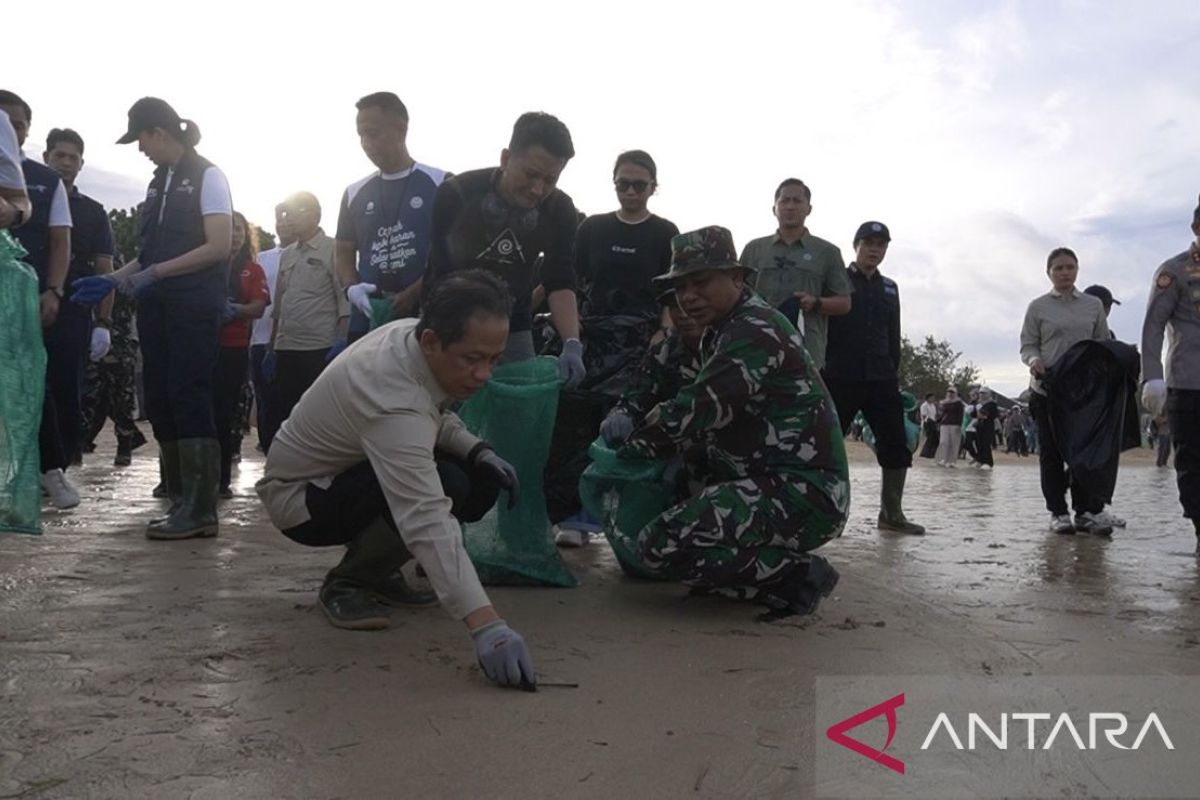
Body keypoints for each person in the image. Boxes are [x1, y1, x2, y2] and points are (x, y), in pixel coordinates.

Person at [256, 270, 534, 688]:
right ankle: (348, 582)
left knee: (475, 477)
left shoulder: (410, 336)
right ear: (432, 342)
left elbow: (428, 413)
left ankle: (381, 570)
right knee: (446, 485)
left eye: (494, 360)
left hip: (347, 471)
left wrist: (479, 450)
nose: (484, 375)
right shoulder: (390, 393)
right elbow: (425, 515)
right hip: (302, 500)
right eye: (472, 359)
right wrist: (487, 625)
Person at [610, 226, 849, 620]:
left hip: (804, 493)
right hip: (770, 479)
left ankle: (797, 575)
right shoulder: (724, 328)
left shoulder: (753, 330)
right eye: (680, 287)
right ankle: (750, 571)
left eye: (701, 282)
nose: (688, 296)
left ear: (737, 277)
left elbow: (695, 411)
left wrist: (624, 452)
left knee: (658, 545)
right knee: (684, 488)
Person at [73, 97, 233, 540]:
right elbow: (147, 255)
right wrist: (112, 280)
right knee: (160, 397)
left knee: (189, 393)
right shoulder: (157, 183)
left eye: (141, 139)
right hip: (157, 306)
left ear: (159, 132)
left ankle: (201, 508)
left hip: (194, 305)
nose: (140, 149)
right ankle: (180, 498)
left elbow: (219, 245)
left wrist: (157, 273)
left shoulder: (208, 176)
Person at [425, 111, 584, 385]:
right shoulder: (456, 194)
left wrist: (572, 343)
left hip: (513, 324)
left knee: (517, 403)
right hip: (450, 317)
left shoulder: (560, 209)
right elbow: (442, 272)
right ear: (506, 159)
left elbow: (559, 279)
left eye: (550, 180)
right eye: (531, 174)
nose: (538, 190)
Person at [0, 91, 77, 509]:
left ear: (27, 130)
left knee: (31, 379)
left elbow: (59, 239)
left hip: (22, 296)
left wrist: (54, 289)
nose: (10, 130)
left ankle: (51, 469)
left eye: (18, 124)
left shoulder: (44, 181)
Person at [824, 221, 924, 534]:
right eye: (868, 243)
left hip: (881, 377)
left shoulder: (890, 287)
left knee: (896, 443)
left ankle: (891, 515)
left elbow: (893, 334)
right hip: (839, 375)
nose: (874, 250)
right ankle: (824, 514)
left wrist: (893, 372)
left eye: (881, 245)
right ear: (856, 246)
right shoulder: (836, 280)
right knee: (827, 445)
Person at [335, 92, 447, 340]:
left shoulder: (441, 183)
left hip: (427, 316)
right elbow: (343, 250)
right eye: (361, 135)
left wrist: (415, 291)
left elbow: (454, 253)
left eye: (373, 133)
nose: (366, 143)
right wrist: (351, 288)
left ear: (401, 129)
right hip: (369, 316)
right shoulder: (354, 192)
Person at [1019, 247, 1112, 535]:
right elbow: (1028, 345)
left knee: (1083, 454)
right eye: (1058, 268)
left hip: (1083, 394)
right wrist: (1034, 361)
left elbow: (1102, 342)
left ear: (1077, 270)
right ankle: (1058, 512)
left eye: (1070, 267)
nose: (1064, 272)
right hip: (1046, 391)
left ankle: (1085, 511)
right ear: (1048, 272)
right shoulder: (1037, 307)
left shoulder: (1093, 306)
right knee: (1051, 454)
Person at [42, 128, 118, 469]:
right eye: (59, 155)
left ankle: (62, 464)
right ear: (46, 157)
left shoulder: (93, 212)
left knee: (66, 387)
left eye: (73, 158)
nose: (66, 163)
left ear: (81, 164)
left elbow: (105, 269)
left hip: (73, 310)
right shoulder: (27, 200)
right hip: (25, 305)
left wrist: (103, 322)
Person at [1140, 194, 1200, 554]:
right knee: (1191, 461)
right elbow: (1153, 326)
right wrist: (1152, 376)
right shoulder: (1174, 271)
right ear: (1196, 227)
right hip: (1188, 382)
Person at [739, 178, 851, 370]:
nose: (790, 206)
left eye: (797, 201)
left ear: (809, 209)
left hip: (806, 354)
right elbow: (735, 296)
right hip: (756, 350)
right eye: (784, 201)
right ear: (774, 208)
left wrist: (816, 303)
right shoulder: (754, 249)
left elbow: (844, 303)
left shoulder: (827, 252)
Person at [263, 192, 345, 450]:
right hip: (286, 348)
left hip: (319, 349)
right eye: (286, 213)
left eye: (297, 212)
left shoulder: (334, 249)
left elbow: (343, 300)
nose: (289, 219)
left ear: (315, 215)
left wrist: (342, 342)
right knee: (283, 417)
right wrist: (271, 347)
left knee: (317, 419)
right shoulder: (287, 254)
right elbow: (279, 304)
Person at [574, 150, 679, 321]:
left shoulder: (666, 232)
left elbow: (672, 291)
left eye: (639, 185)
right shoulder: (591, 227)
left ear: (652, 187)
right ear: (614, 183)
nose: (630, 192)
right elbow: (571, 279)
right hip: (592, 327)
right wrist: (574, 321)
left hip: (646, 330)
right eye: (623, 184)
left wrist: (664, 331)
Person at [214, 212, 268, 496]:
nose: (234, 234)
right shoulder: (206, 264)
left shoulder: (252, 270)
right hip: (201, 345)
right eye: (229, 228)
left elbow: (258, 307)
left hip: (233, 348)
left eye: (239, 229)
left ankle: (221, 480)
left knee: (224, 413)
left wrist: (236, 310)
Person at [249, 203, 295, 452]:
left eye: (290, 217)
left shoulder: (317, 254)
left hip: (296, 344)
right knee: (265, 404)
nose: (284, 222)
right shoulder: (262, 260)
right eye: (280, 218)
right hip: (261, 342)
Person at [969, 388, 999, 469]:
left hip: (988, 426)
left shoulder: (992, 404)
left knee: (986, 444)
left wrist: (984, 415)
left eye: (984, 393)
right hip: (979, 426)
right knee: (979, 444)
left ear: (988, 394)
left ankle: (985, 462)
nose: (982, 395)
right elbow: (973, 414)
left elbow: (994, 415)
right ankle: (984, 461)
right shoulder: (979, 404)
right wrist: (975, 412)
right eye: (981, 393)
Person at [935, 387, 964, 467]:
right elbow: (941, 414)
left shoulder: (958, 403)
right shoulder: (943, 402)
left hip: (955, 424)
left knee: (954, 443)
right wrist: (937, 421)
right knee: (943, 442)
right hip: (944, 424)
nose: (950, 394)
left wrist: (959, 425)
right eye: (949, 392)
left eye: (952, 392)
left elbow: (961, 415)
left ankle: (952, 461)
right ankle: (942, 459)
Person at [918, 392, 940, 458]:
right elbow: (924, 415)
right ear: (928, 398)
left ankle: (932, 453)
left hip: (933, 423)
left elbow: (934, 415)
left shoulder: (933, 405)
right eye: (932, 398)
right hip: (927, 423)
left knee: (934, 439)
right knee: (930, 438)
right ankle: (926, 453)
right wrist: (930, 421)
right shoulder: (924, 405)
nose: (933, 399)